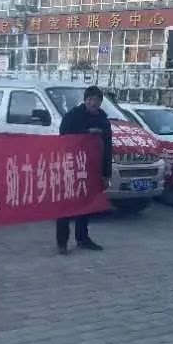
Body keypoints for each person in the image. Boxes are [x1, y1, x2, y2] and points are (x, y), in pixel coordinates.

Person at [56, 85, 111, 255]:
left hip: (91, 168)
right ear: (85, 100)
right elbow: (63, 137)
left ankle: (82, 238)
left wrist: (106, 173)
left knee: (86, 204)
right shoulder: (72, 116)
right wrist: (86, 133)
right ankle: (62, 242)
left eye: (97, 100)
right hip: (71, 166)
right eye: (90, 100)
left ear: (100, 102)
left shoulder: (103, 119)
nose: (93, 103)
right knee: (66, 205)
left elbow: (108, 147)